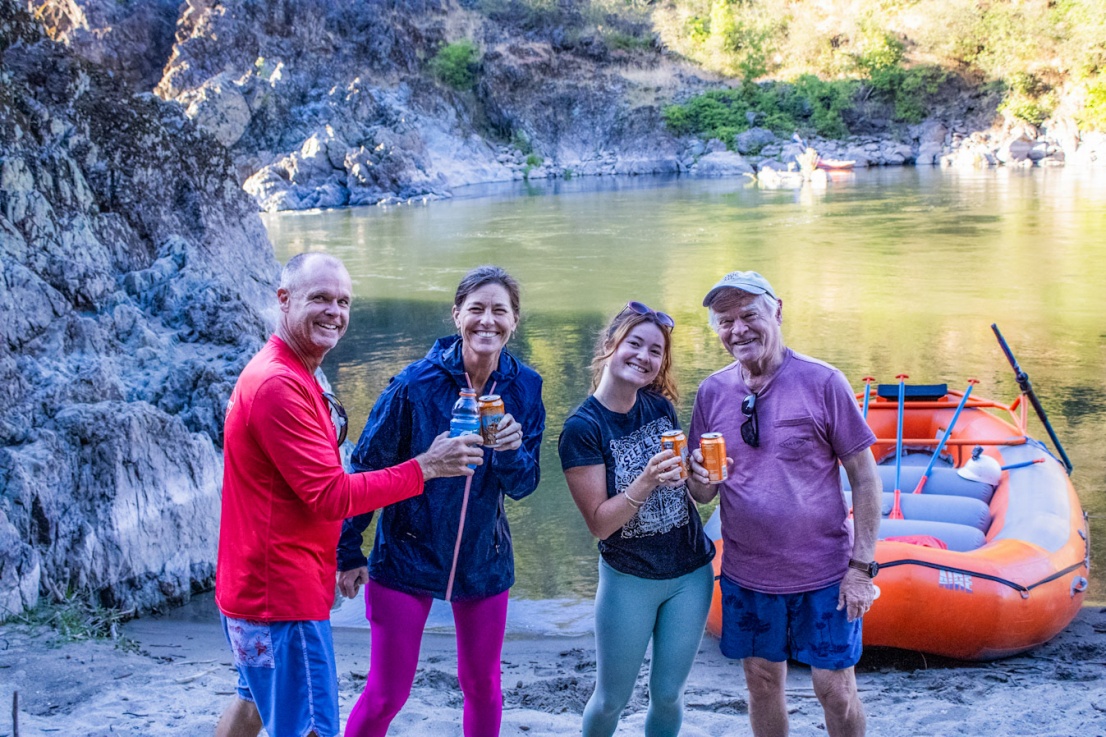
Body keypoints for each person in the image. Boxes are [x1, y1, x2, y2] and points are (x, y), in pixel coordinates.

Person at [214, 253, 483, 737]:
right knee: (311, 726)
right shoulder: (278, 383)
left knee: (252, 705)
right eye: (319, 298)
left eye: (343, 301)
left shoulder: (294, 372)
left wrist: (344, 552)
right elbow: (332, 496)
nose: (334, 312)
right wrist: (425, 467)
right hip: (281, 599)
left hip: (253, 588)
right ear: (284, 300)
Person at [336, 265, 545, 737]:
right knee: (388, 691)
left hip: (483, 558)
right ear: (456, 316)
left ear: (515, 320)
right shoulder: (414, 384)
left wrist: (511, 452)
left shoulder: (525, 387)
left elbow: (524, 484)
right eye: (476, 309)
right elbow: (366, 469)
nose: (487, 321)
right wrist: (348, 550)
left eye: (499, 310)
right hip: (406, 555)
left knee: (483, 685)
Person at [685, 271, 882, 737]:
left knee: (835, 690)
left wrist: (862, 567)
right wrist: (696, 478)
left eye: (749, 315)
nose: (738, 330)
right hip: (748, 575)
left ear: (777, 311)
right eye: (725, 321)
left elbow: (865, 478)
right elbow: (705, 493)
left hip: (826, 574)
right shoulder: (713, 392)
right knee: (761, 682)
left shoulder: (823, 381)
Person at [558, 301, 715, 737]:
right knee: (611, 699)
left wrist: (707, 477)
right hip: (629, 579)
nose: (644, 357)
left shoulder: (660, 408)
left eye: (655, 351)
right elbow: (599, 524)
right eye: (635, 344)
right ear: (611, 345)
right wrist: (644, 482)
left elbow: (695, 495)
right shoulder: (582, 428)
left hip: (691, 573)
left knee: (668, 695)